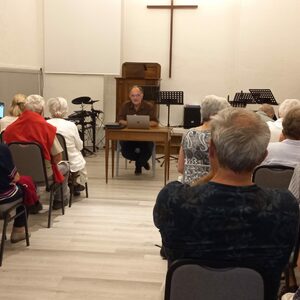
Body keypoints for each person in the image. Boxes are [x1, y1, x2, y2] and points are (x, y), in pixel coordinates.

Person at [154, 107, 299, 300]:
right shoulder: (284, 207)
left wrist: (214, 172)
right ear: (262, 158)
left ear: (211, 150)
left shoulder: (173, 199)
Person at [3, 95, 69, 209]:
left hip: (18, 175)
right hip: (43, 175)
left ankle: (34, 201)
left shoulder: (9, 129)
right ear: (42, 111)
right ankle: (59, 200)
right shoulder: (46, 128)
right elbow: (58, 157)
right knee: (65, 166)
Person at [177, 95, 230, 184]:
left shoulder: (188, 133)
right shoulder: (221, 137)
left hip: (188, 188)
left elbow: (180, 168)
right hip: (213, 189)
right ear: (218, 115)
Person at [47, 97, 87, 196]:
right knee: (77, 155)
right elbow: (80, 146)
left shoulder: (45, 124)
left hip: (52, 160)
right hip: (70, 160)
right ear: (65, 110)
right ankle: (73, 182)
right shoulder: (71, 125)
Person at [117, 85, 158, 175]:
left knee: (148, 148)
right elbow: (120, 120)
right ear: (129, 96)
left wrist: (143, 123)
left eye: (138, 95)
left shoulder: (149, 106)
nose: (135, 98)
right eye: (133, 95)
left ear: (142, 96)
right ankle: (142, 162)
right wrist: (130, 123)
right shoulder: (125, 105)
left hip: (145, 137)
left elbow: (155, 122)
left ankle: (139, 164)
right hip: (128, 136)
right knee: (125, 151)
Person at [0, 144, 28, 243]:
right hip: (2, 199)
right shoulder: (2, 148)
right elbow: (15, 177)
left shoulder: (8, 131)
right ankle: (18, 231)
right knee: (25, 187)